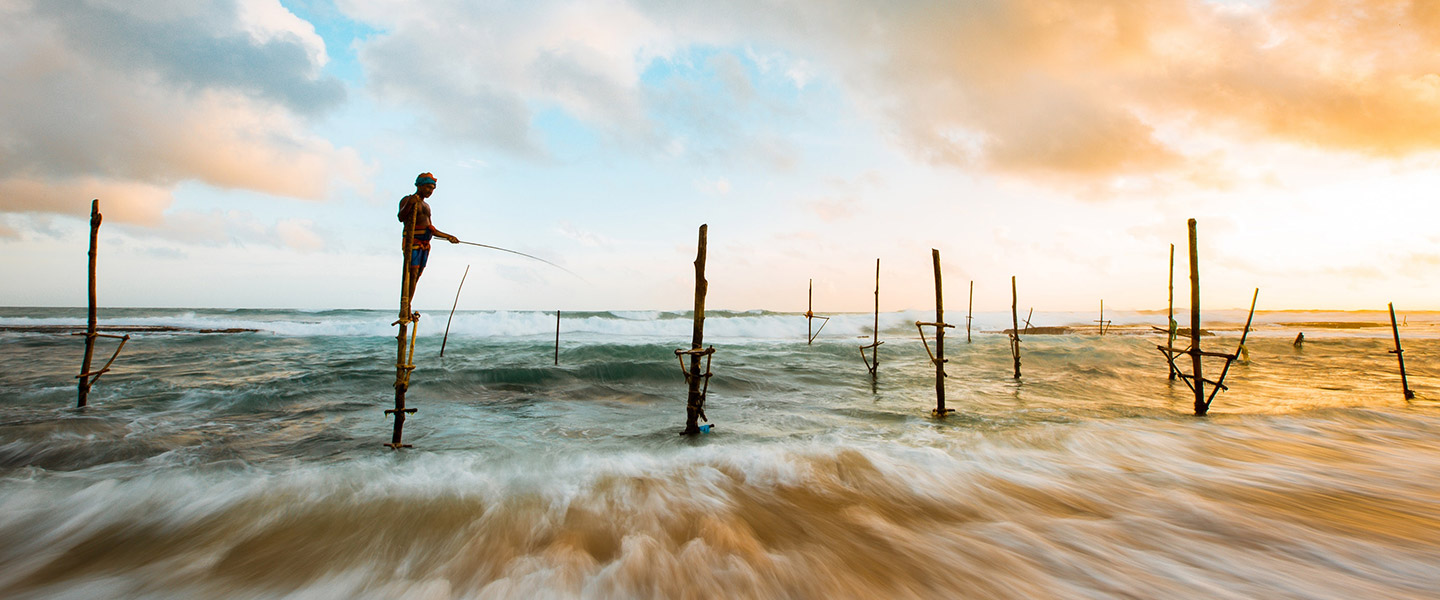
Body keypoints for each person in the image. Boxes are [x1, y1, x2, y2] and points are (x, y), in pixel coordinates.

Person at [398, 172, 458, 302]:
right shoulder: (408, 199)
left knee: (418, 274)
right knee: (411, 273)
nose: (430, 191)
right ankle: (405, 305)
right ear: (420, 186)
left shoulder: (427, 206)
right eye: (428, 187)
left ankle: (409, 303)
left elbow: (431, 228)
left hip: (425, 244)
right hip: (413, 241)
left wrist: (449, 237)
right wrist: (409, 204)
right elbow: (400, 217)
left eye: (433, 188)